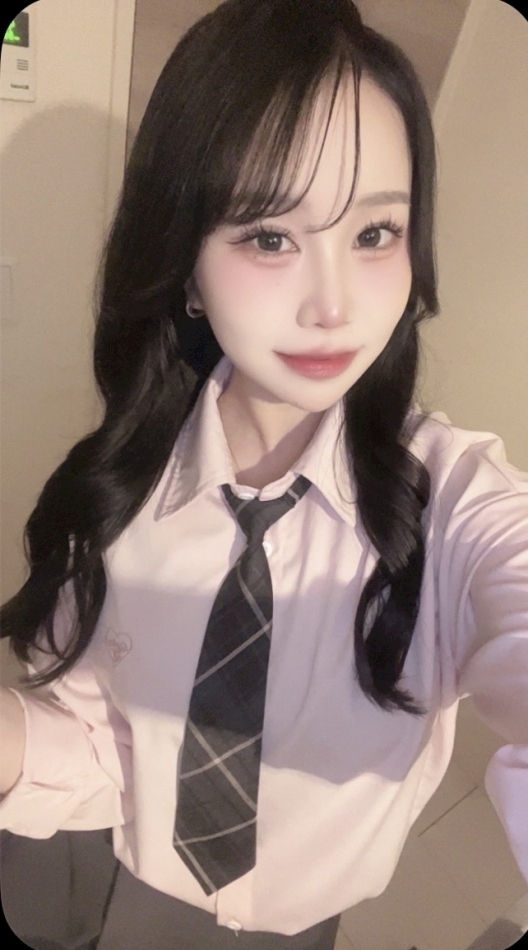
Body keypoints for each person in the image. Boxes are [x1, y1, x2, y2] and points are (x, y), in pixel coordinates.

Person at [1, 1, 527, 948]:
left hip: (303, 925)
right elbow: (103, 745)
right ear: (187, 268)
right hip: (115, 869)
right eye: (271, 237)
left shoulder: (450, 503)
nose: (335, 305)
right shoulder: (120, 488)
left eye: (375, 233)